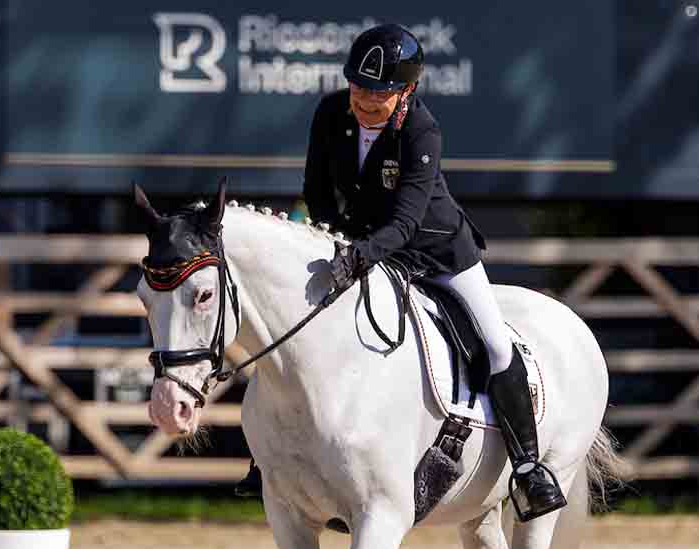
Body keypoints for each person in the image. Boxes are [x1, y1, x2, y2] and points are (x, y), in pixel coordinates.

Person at [237, 23, 565, 522]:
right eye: (359, 88)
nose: (366, 101)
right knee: (297, 330)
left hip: (437, 254)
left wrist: (362, 252)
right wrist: (330, 240)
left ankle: (528, 468)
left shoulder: (421, 131)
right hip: (362, 244)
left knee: (496, 344)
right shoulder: (331, 113)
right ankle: (272, 460)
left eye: (380, 93)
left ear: (407, 90)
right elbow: (318, 188)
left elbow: (407, 219)